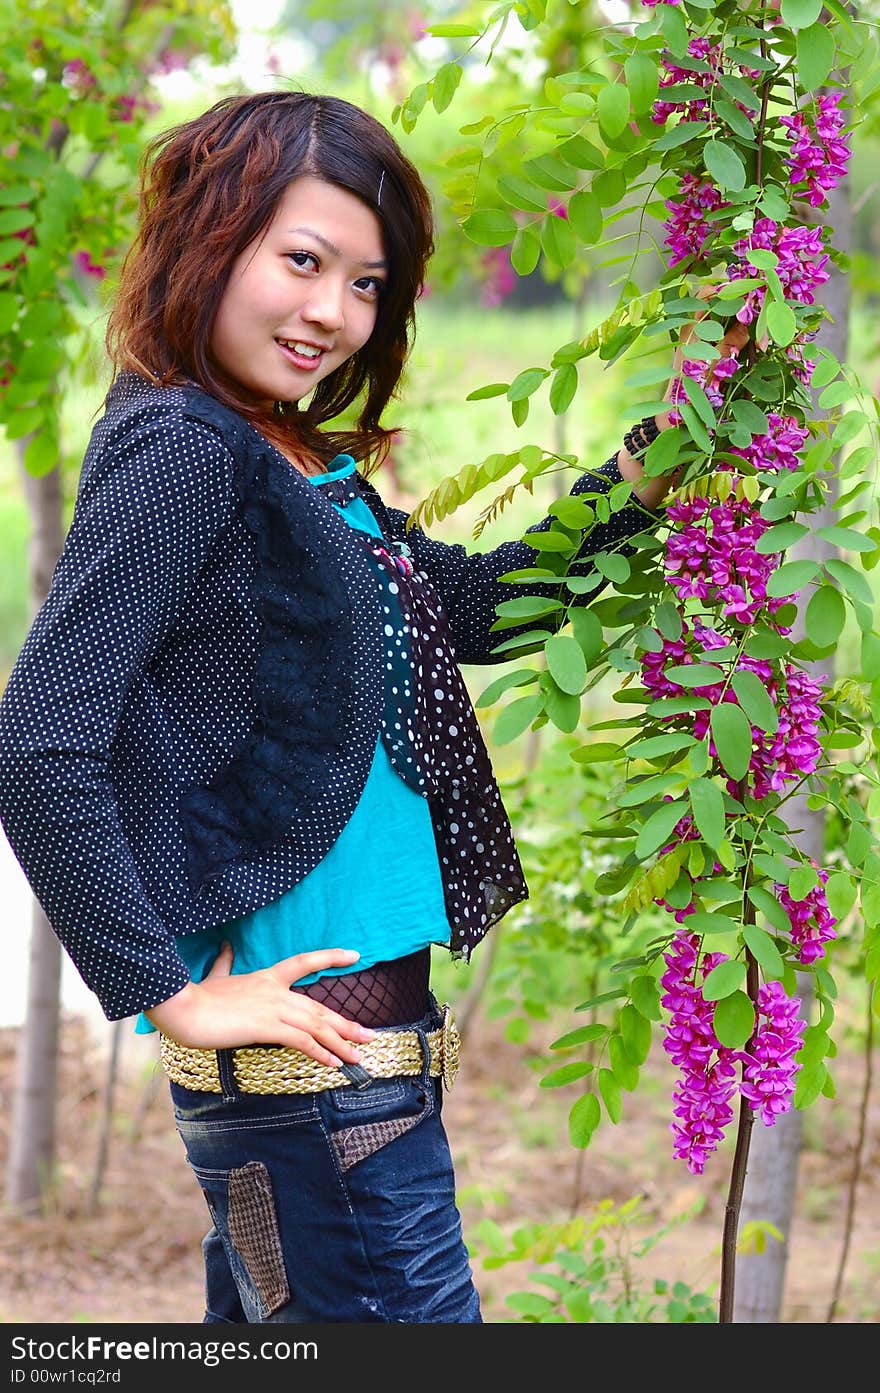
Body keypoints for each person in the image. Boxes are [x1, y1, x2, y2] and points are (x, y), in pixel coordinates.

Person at [0, 89, 747, 1325]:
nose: (331, 314)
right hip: (313, 1080)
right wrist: (165, 988)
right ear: (207, 235)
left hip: (346, 1064)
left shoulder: (279, 452)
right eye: (302, 261)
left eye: (365, 283)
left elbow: (466, 613)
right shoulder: (186, 448)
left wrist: (634, 479)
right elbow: (40, 737)